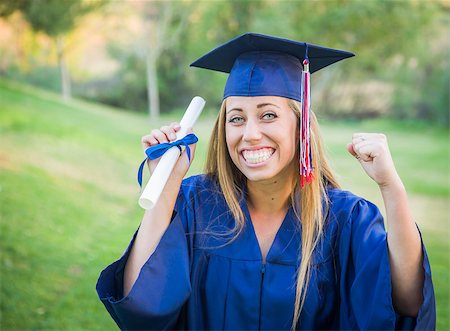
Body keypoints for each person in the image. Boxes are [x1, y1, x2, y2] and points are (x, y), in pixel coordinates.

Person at [96, 33, 435, 330]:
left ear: (301, 126)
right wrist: (166, 186)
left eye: (268, 114)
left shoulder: (345, 219)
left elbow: (405, 303)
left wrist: (391, 187)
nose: (250, 134)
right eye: (236, 119)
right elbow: (140, 308)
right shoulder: (194, 203)